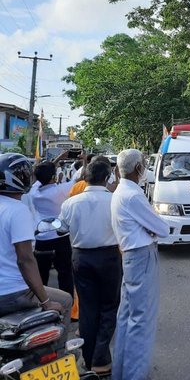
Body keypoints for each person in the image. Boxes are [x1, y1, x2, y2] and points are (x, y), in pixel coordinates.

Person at [0, 153, 72, 344]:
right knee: (65, 300)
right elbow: (25, 259)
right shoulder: (17, 210)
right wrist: (46, 302)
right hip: (14, 294)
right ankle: (59, 355)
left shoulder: (24, 200)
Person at [111, 149, 169, 380]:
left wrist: (151, 229)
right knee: (141, 321)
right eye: (144, 164)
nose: (145, 167)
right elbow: (162, 229)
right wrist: (152, 230)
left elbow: (154, 227)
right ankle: (135, 375)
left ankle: (122, 372)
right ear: (138, 169)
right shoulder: (133, 195)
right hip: (141, 256)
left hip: (131, 255)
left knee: (127, 317)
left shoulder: (121, 191)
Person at [59, 161, 121, 374]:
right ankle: (101, 359)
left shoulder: (70, 203)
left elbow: (61, 229)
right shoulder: (115, 201)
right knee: (108, 307)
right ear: (107, 177)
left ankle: (88, 357)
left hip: (81, 258)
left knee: (87, 307)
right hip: (109, 257)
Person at [24, 153, 78, 297]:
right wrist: (83, 160)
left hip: (41, 237)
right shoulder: (60, 190)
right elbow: (78, 177)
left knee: (42, 276)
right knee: (65, 275)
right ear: (54, 177)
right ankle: (68, 307)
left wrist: (56, 160)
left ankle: (42, 305)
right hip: (60, 236)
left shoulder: (34, 192)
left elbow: (39, 175)